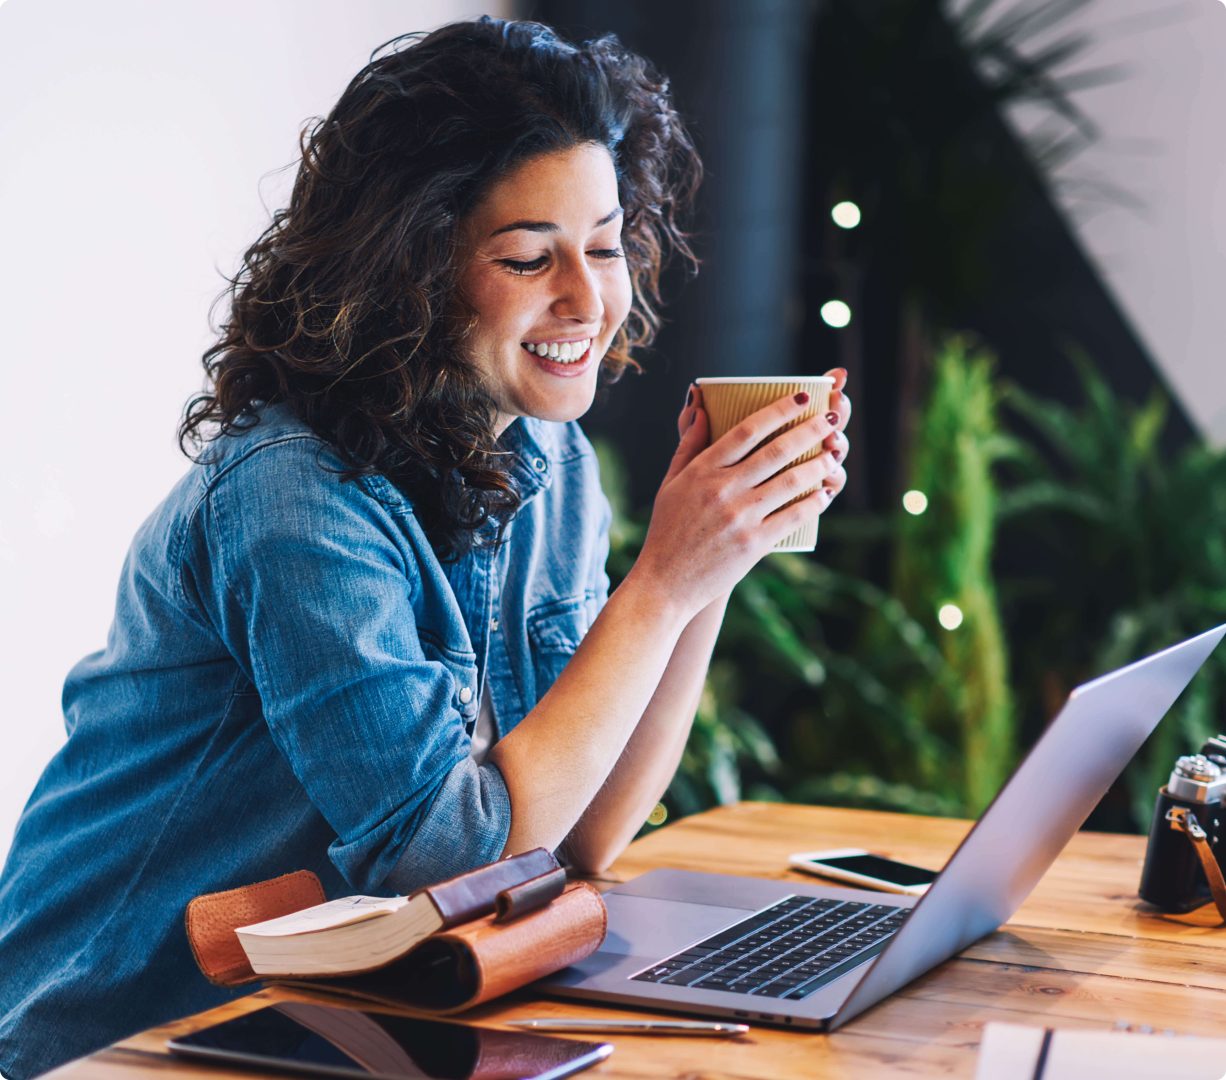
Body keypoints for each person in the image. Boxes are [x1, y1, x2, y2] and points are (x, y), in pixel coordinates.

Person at [0, 16, 850, 1078]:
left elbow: (578, 840)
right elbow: (448, 858)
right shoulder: (292, 500)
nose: (586, 298)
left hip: (332, 1031)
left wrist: (709, 565)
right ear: (410, 267)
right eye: (529, 256)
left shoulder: (551, 457)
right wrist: (663, 576)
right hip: (127, 1040)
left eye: (602, 243)